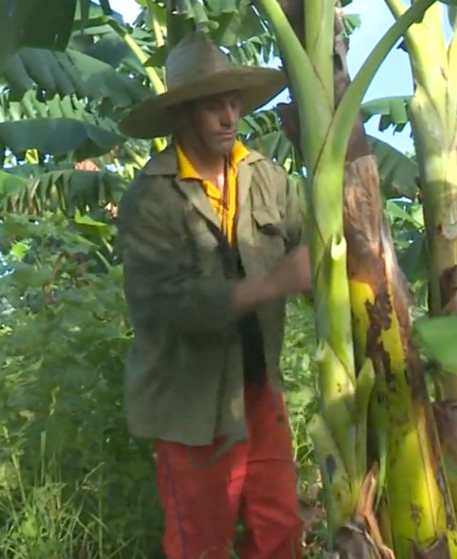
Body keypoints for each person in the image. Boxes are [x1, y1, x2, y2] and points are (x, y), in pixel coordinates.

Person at [115, 30, 312, 559]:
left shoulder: (265, 177)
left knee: (281, 531)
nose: (229, 118)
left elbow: (311, 246)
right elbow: (164, 304)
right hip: (190, 399)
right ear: (183, 116)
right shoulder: (152, 198)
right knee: (200, 541)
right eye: (212, 108)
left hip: (257, 387)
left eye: (233, 104)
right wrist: (271, 283)